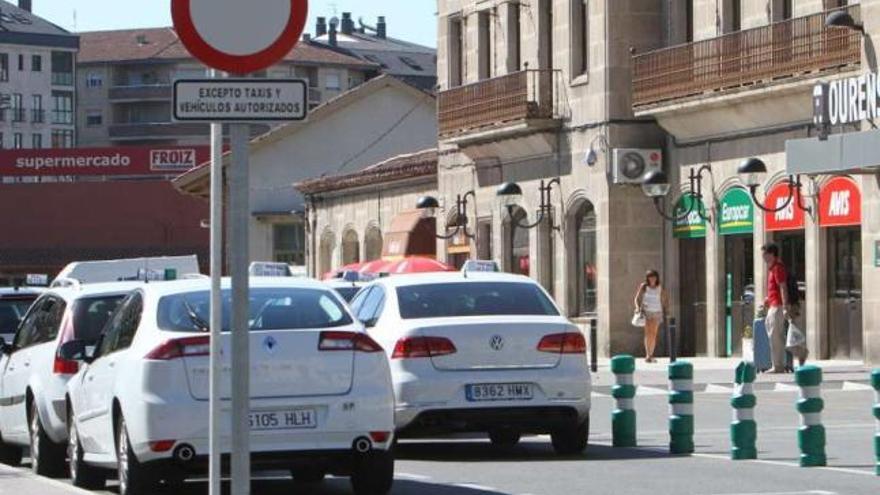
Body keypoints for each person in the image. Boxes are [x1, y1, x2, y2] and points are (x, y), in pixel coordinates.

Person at [762, 243, 789, 373]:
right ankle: (777, 364)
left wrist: (784, 307)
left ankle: (778, 366)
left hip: (777, 307)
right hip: (773, 305)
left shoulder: (778, 268)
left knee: (775, 336)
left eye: (765, 254)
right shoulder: (772, 268)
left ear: (772, 254)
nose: (763, 256)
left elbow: (783, 287)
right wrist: (768, 299)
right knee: (773, 335)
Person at [634, 270, 669, 363]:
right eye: (650, 277)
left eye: (654, 277)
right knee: (647, 333)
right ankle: (648, 355)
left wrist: (666, 309)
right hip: (646, 312)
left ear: (657, 278)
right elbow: (637, 298)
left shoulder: (660, 287)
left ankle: (651, 354)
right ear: (647, 278)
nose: (652, 279)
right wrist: (638, 308)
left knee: (653, 334)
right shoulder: (644, 286)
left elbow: (665, 298)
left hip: (657, 312)